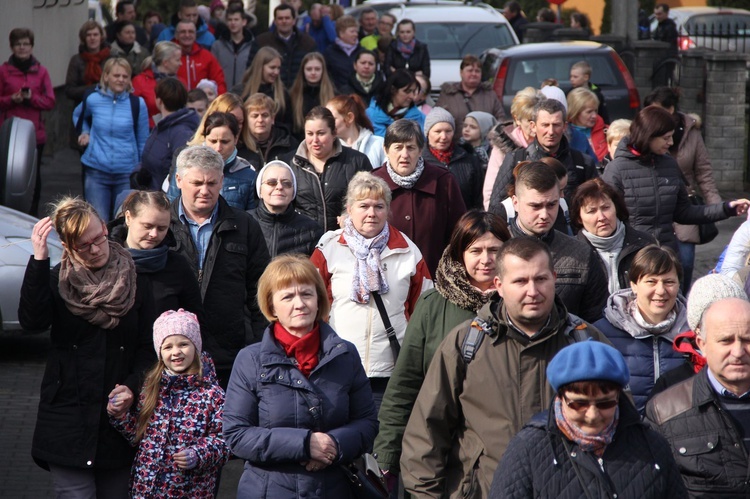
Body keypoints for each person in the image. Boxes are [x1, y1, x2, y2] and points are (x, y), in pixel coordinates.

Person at [399, 236, 609, 498]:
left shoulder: (587, 343)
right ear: (499, 285)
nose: (532, 291)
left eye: (541, 279)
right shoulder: (465, 344)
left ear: (554, 277)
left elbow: (621, 427)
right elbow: (427, 433)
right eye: (520, 281)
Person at [20, 197, 156, 498]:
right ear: (67, 247)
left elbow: (149, 348)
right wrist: (39, 260)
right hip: (68, 415)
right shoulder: (59, 280)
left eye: (98, 238)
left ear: (106, 227)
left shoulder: (136, 280)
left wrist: (133, 388)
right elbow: (32, 322)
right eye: (84, 245)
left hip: (119, 420)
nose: (95, 249)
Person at [223, 254, 379, 498]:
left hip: (333, 488)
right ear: (271, 305)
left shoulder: (345, 354)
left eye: (307, 294)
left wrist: (333, 446)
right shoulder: (250, 360)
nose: (300, 304)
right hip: (268, 490)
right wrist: (305, 446)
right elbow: (237, 434)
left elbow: (367, 423)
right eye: (287, 296)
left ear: (319, 299)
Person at [375, 211, 510, 480]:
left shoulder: (521, 304)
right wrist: (387, 452)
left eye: (494, 250)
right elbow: (405, 385)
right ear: (460, 253)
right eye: (476, 250)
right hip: (441, 452)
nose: (486, 260)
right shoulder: (432, 306)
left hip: (503, 451)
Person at [490, 340, 687, 498]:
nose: (592, 416)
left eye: (605, 404)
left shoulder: (652, 446)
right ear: (561, 397)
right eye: (579, 404)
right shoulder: (527, 449)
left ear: (618, 397)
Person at [311, 172, 433, 410]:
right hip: (337, 365)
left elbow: (425, 310)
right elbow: (311, 305)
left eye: (379, 206)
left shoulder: (408, 251)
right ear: (349, 208)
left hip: (390, 369)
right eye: (363, 205)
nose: (371, 213)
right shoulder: (329, 247)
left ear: (388, 211)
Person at [169, 145, 270, 385]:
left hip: (232, 354)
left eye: (212, 183)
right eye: (197, 183)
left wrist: (258, 346)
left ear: (222, 180)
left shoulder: (245, 225)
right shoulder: (161, 226)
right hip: (171, 356)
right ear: (179, 180)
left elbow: (262, 292)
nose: (205, 190)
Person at [645, 278, 750, 497]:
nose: (738, 351)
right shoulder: (665, 410)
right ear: (701, 344)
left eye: (747, 339)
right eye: (726, 341)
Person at [108, 309, 229, 497]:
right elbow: (138, 436)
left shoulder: (213, 394)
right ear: (160, 352)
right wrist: (120, 415)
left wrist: (198, 454)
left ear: (196, 346)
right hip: (146, 490)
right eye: (168, 347)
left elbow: (224, 441)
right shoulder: (151, 388)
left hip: (190, 491)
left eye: (183, 344)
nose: (176, 352)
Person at [602, 105, 750, 251]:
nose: (671, 142)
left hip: (666, 254)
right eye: (666, 138)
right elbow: (608, 219)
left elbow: (684, 212)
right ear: (648, 136)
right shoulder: (616, 169)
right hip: (632, 256)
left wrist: (726, 209)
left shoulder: (669, 164)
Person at [504, 161, 609, 322]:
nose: (545, 214)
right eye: (535, 206)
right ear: (515, 203)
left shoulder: (581, 254)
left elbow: (597, 319)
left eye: (552, 205)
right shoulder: (495, 250)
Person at [593, 245, 690, 414]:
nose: (660, 291)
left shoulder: (695, 334)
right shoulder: (602, 334)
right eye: (651, 281)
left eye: (669, 282)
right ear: (634, 285)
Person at [645, 86, 723, 295]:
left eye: (658, 110)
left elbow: (704, 172)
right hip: (655, 207)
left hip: (683, 205)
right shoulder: (645, 134)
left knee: (685, 262)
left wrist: (717, 206)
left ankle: (683, 302)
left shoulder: (691, 133)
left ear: (670, 109)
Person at [372, 119, 467, 275]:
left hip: (433, 277)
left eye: (411, 148)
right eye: (398, 147)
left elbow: (459, 232)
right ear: (386, 150)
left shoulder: (443, 181)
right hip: (386, 278)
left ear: (421, 150)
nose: (405, 154)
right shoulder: (373, 182)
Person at [73, 58, 149, 221]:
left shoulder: (137, 104)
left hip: (126, 172)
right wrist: (85, 132)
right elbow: (78, 115)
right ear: (106, 76)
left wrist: (141, 166)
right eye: (116, 75)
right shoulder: (93, 99)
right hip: (96, 172)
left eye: (125, 76)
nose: (121, 79)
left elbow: (143, 139)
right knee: (98, 222)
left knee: (123, 222)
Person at [109, 190, 204, 321]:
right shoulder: (106, 260)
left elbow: (195, 319)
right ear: (128, 218)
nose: (154, 234)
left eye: (161, 228)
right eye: (147, 226)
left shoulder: (177, 266)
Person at [489, 98, 597, 209]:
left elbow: (596, 203)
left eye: (556, 125)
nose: (550, 132)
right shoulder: (516, 160)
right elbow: (497, 207)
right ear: (533, 126)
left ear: (565, 126)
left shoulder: (582, 163)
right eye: (545, 125)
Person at [0, 27, 55, 216]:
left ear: (31, 46)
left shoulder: (41, 72)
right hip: (9, 133)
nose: (22, 48)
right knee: (6, 177)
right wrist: (10, 99)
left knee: (33, 178)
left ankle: (31, 215)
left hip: (34, 134)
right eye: (18, 44)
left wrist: (32, 97)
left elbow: (50, 101)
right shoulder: (4, 71)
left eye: (25, 44)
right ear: (12, 47)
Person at [289, 106, 372, 232]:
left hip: (345, 239)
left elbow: (371, 199)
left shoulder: (357, 161)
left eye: (321, 133)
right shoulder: (293, 164)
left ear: (334, 133)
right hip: (305, 241)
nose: (315, 140)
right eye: (310, 134)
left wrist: (349, 217)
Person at [571, 178, 656, 294]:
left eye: (606, 208)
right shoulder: (571, 252)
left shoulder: (644, 244)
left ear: (616, 207)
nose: (601, 217)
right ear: (579, 218)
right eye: (591, 211)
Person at [170, 111, 256, 211]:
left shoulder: (248, 176)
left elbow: (252, 217)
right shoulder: (186, 167)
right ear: (205, 138)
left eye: (225, 141)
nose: (218, 147)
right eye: (213, 141)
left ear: (236, 139)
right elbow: (171, 208)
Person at [137, 77, 200, 191]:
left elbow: (181, 172)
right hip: (150, 195)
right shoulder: (162, 125)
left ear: (159, 101)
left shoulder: (181, 133)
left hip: (164, 201)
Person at [250, 160, 323, 257]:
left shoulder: (311, 230)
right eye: (271, 183)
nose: (279, 187)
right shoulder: (245, 223)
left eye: (286, 184)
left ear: (293, 191)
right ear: (260, 189)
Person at [482, 87, 539, 209]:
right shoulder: (503, 146)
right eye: (529, 121)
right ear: (517, 119)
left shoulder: (549, 143)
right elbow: (490, 192)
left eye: (538, 120)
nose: (534, 125)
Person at [422, 107, 484, 210]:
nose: (443, 137)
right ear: (428, 133)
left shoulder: (468, 159)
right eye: (438, 131)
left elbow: (478, 198)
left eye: (448, 131)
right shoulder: (419, 161)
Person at [246, 3, 317, 89]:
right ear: (275, 21)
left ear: (294, 20)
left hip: (300, 93)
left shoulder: (308, 43)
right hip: (269, 92)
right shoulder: (262, 41)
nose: (284, 21)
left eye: (287, 18)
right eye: (280, 18)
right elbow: (251, 69)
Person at [435, 54, 506, 133]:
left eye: (477, 71)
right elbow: (436, 119)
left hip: (485, 142)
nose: (474, 74)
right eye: (470, 70)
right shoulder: (448, 95)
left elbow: (500, 119)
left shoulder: (490, 94)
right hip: (456, 142)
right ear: (461, 72)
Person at [239, 46, 293, 129]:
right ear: (260, 67)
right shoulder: (242, 91)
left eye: (278, 68)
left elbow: (289, 124)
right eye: (272, 67)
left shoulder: (283, 94)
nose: (276, 72)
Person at [132, 41, 183, 128]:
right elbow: (133, 113)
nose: (181, 63)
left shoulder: (181, 82)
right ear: (165, 62)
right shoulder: (140, 81)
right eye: (177, 60)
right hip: (149, 132)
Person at [326, 93, 385, 169]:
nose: (328, 124)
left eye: (333, 119)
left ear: (349, 118)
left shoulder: (378, 143)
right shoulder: (329, 148)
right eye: (326, 119)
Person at [242, 92, 299, 168]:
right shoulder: (240, 147)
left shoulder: (289, 144)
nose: (260, 120)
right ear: (246, 119)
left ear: (272, 118)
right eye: (255, 116)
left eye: (265, 115)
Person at [172, 19, 226, 93]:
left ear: (195, 35)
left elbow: (219, 83)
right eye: (183, 32)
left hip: (202, 103)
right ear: (176, 35)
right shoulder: (169, 56)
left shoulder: (206, 56)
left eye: (190, 32)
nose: (187, 35)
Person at [367, 69, 425, 138]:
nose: (412, 96)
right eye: (407, 91)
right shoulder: (370, 115)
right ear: (393, 89)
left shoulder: (419, 118)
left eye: (413, 92)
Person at [290, 52, 336, 138]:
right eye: (309, 69)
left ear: (323, 71)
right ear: (303, 71)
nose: (313, 72)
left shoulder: (333, 95)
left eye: (317, 69)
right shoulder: (292, 96)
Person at [211, 3, 254, 90]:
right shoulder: (217, 46)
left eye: (236, 19)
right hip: (223, 96)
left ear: (244, 22)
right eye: (230, 20)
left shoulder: (253, 46)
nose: (233, 23)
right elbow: (213, 73)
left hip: (245, 95)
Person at [567, 87, 607, 163]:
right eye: (589, 112)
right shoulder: (566, 134)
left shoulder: (607, 131)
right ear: (575, 111)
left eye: (595, 111)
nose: (594, 116)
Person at [324, 15, 362, 91]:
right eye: (352, 31)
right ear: (341, 33)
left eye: (356, 31)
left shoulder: (362, 51)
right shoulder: (329, 52)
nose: (356, 34)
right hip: (337, 94)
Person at [651, 3, 678, 88]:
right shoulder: (660, 25)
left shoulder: (669, 27)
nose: (657, 16)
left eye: (659, 14)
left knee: (665, 81)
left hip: (667, 59)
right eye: (655, 14)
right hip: (660, 59)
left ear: (666, 14)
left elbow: (669, 44)